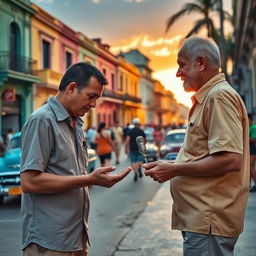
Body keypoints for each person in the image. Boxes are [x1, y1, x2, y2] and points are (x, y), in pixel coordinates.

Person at [143, 37, 250, 256]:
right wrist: (171, 164)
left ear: (201, 63)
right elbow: (206, 155)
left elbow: (230, 159)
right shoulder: (211, 97)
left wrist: (174, 169)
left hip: (209, 221)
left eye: (182, 65)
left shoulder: (218, 97)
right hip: (203, 221)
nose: (178, 73)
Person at [20, 62, 131, 256]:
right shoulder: (42, 120)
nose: (94, 104)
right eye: (91, 96)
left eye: (97, 98)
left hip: (75, 238)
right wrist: (90, 179)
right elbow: (30, 182)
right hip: (49, 242)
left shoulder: (76, 124)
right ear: (72, 88)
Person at [248, 113, 256, 192]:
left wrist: (246, 138)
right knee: (250, 166)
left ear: (250, 119)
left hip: (253, 149)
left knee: (250, 166)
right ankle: (249, 185)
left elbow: (254, 139)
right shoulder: (250, 126)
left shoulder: (253, 127)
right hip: (251, 149)